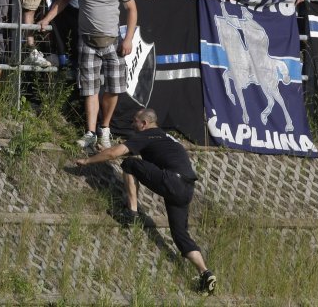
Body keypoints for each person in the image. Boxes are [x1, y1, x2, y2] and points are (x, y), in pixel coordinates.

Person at [75, 108, 217, 294]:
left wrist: (88, 161)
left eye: (135, 121)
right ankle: (205, 273)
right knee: (180, 235)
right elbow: (125, 152)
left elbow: (114, 154)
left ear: (144, 124)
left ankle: (132, 213)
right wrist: (109, 151)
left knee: (130, 164)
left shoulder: (147, 135)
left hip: (172, 180)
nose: (132, 124)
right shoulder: (164, 137)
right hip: (186, 188)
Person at [38, 0, 137, 150]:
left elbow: (132, 9)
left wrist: (128, 39)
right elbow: (63, 1)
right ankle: (90, 132)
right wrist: (47, 18)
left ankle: (105, 128)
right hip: (87, 42)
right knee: (89, 89)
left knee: (113, 88)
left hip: (112, 42)